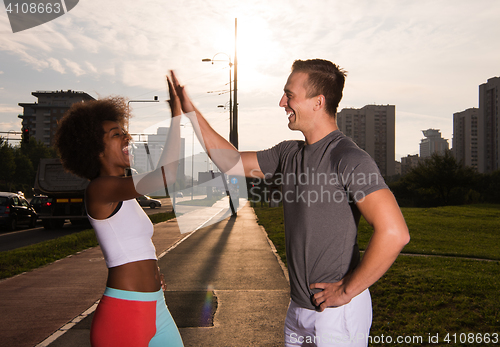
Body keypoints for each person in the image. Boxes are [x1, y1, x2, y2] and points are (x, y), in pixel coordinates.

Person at [172, 59, 410, 347]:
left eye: (290, 95)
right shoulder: (288, 153)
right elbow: (229, 161)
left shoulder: (348, 158)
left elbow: (395, 232)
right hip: (297, 309)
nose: (282, 102)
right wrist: (190, 111)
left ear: (318, 102)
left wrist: (347, 290)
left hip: (335, 315)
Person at [53, 73, 185, 347]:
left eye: (124, 131)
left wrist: (151, 271)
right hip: (124, 314)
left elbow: (132, 246)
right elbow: (167, 175)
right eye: (116, 135)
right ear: (96, 150)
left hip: (156, 307)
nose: (126, 136)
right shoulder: (100, 189)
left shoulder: (125, 192)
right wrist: (176, 115)